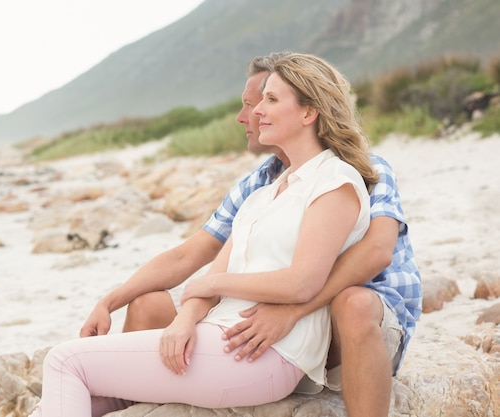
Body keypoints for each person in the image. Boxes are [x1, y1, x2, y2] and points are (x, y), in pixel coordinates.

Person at [30, 52, 378, 417]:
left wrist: (212, 287)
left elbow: (303, 282)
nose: (257, 110)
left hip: (262, 354)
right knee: (60, 402)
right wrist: (184, 319)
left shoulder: (335, 181)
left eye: (271, 100)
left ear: (309, 113)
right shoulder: (263, 194)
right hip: (216, 337)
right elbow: (208, 280)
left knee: (64, 361)